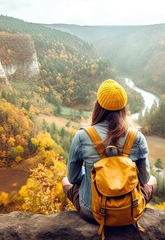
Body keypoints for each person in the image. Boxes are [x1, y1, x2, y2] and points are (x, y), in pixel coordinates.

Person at [62, 79, 157, 223]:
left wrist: (94, 175)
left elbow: (73, 178)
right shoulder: (137, 137)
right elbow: (143, 180)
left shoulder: (82, 136)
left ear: (98, 106)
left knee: (65, 181)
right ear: (123, 108)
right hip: (129, 209)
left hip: (92, 212)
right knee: (152, 180)